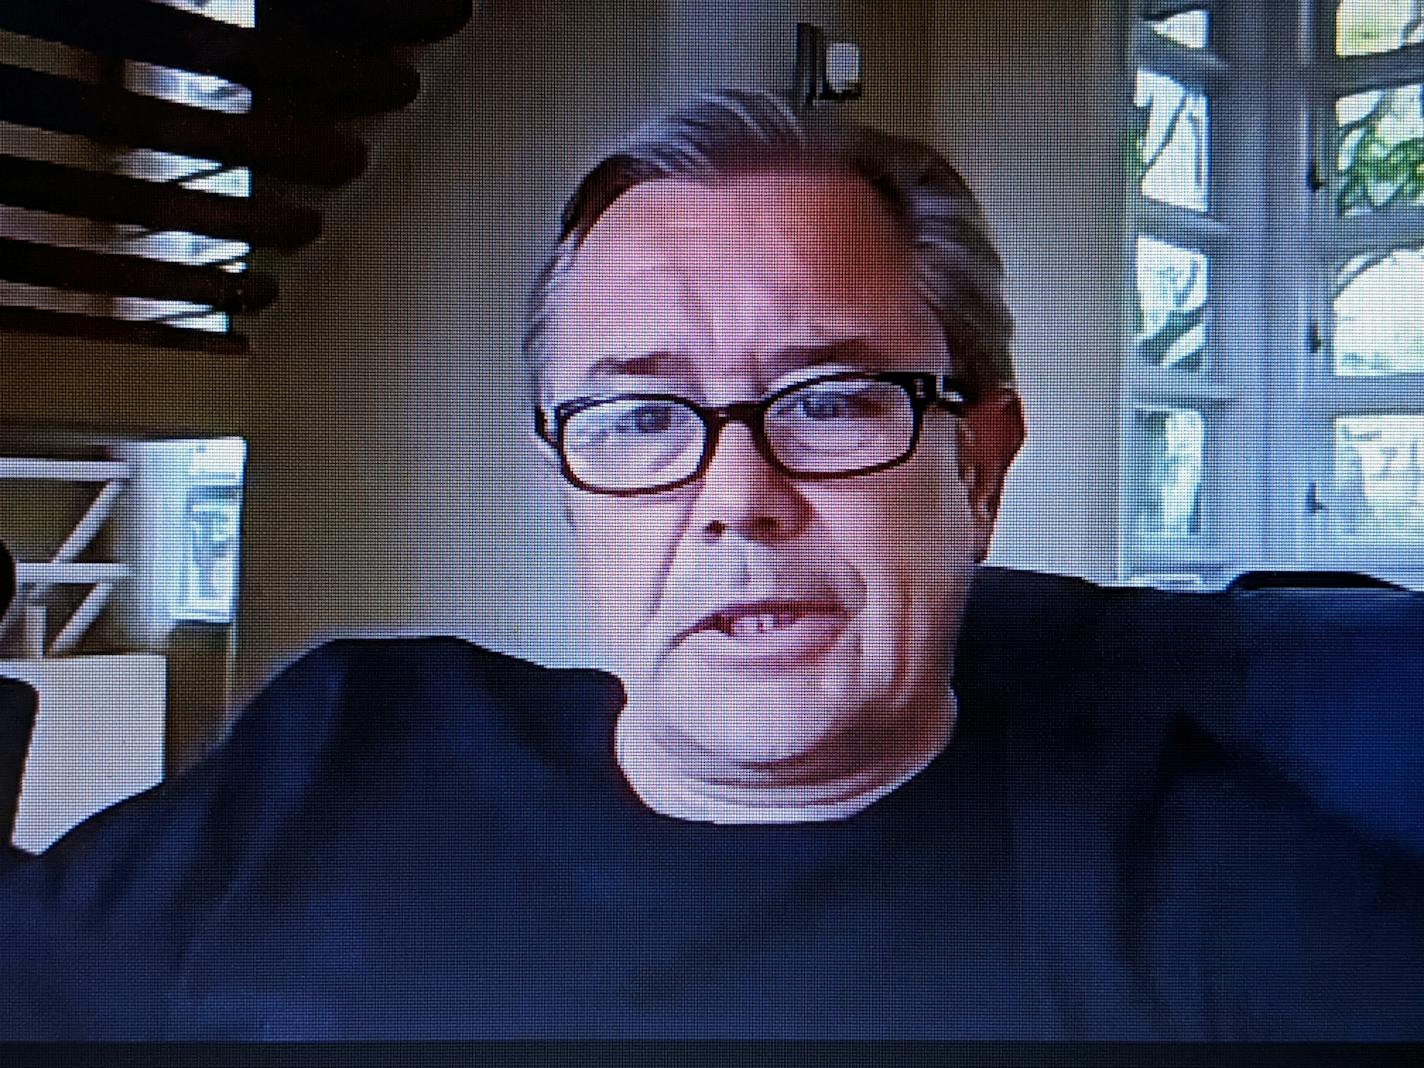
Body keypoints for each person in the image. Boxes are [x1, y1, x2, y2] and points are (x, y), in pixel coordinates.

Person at [0, 88, 1419, 1043]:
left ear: (978, 467)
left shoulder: (1214, 913)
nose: (738, 500)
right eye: (637, 417)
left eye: (834, 401)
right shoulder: (350, 741)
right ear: (565, 486)